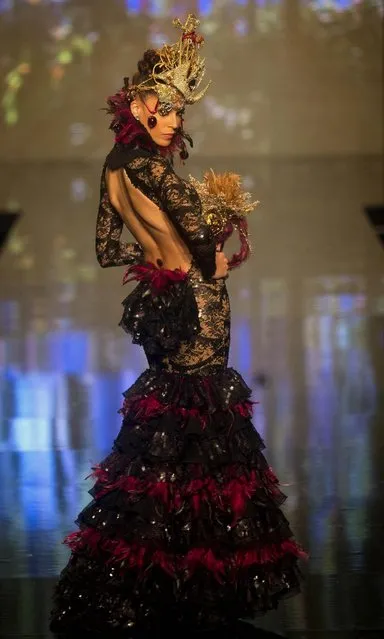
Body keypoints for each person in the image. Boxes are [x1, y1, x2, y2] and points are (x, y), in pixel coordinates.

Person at [50, 14, 306, 636]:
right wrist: (209, 251)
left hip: (159, 302)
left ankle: (155, 570)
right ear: (137, 103)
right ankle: (193, 576)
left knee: (170, 427)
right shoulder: (154, 169)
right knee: (201, 428)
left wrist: (159, 250)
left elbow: (111, 247)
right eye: (162, 109)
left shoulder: (114, 166)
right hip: (192, 299)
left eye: (177, 114)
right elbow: (194, 220)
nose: (172, 122)